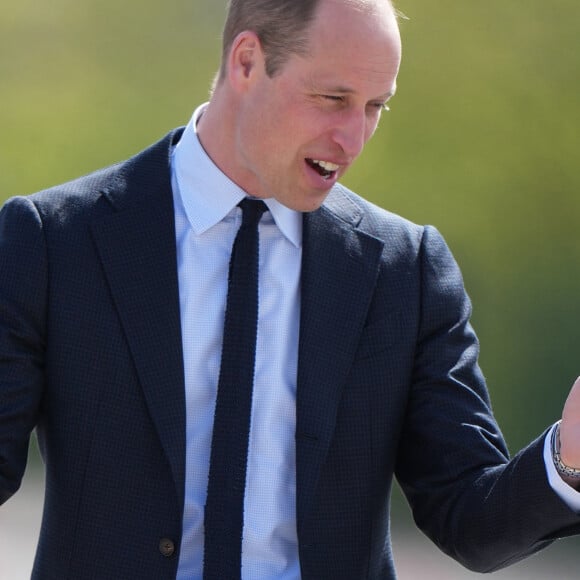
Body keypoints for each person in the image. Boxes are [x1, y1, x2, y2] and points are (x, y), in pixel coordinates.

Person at [1, 0, 580, 578]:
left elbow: (470, 521)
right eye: (334, 99)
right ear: (247, 62)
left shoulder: (406, 271)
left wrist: (569, 458)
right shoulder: (54, 242)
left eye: (375, 106)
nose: (353, 137)